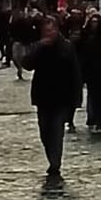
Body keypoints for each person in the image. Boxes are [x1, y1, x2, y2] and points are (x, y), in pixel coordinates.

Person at [28, 16, 82, 184]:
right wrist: (38, 48)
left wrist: (76, 99)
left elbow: (75, 73)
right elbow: (27, 63)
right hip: (43, 97)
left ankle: (55, 162)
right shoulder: (39, 47)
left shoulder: (66, 47)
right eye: (45, 31)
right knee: (44, 132)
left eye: (51, 30)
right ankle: (51, 156)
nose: (48, 34)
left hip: (61, 97)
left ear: (57, 30)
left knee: (56, 131)